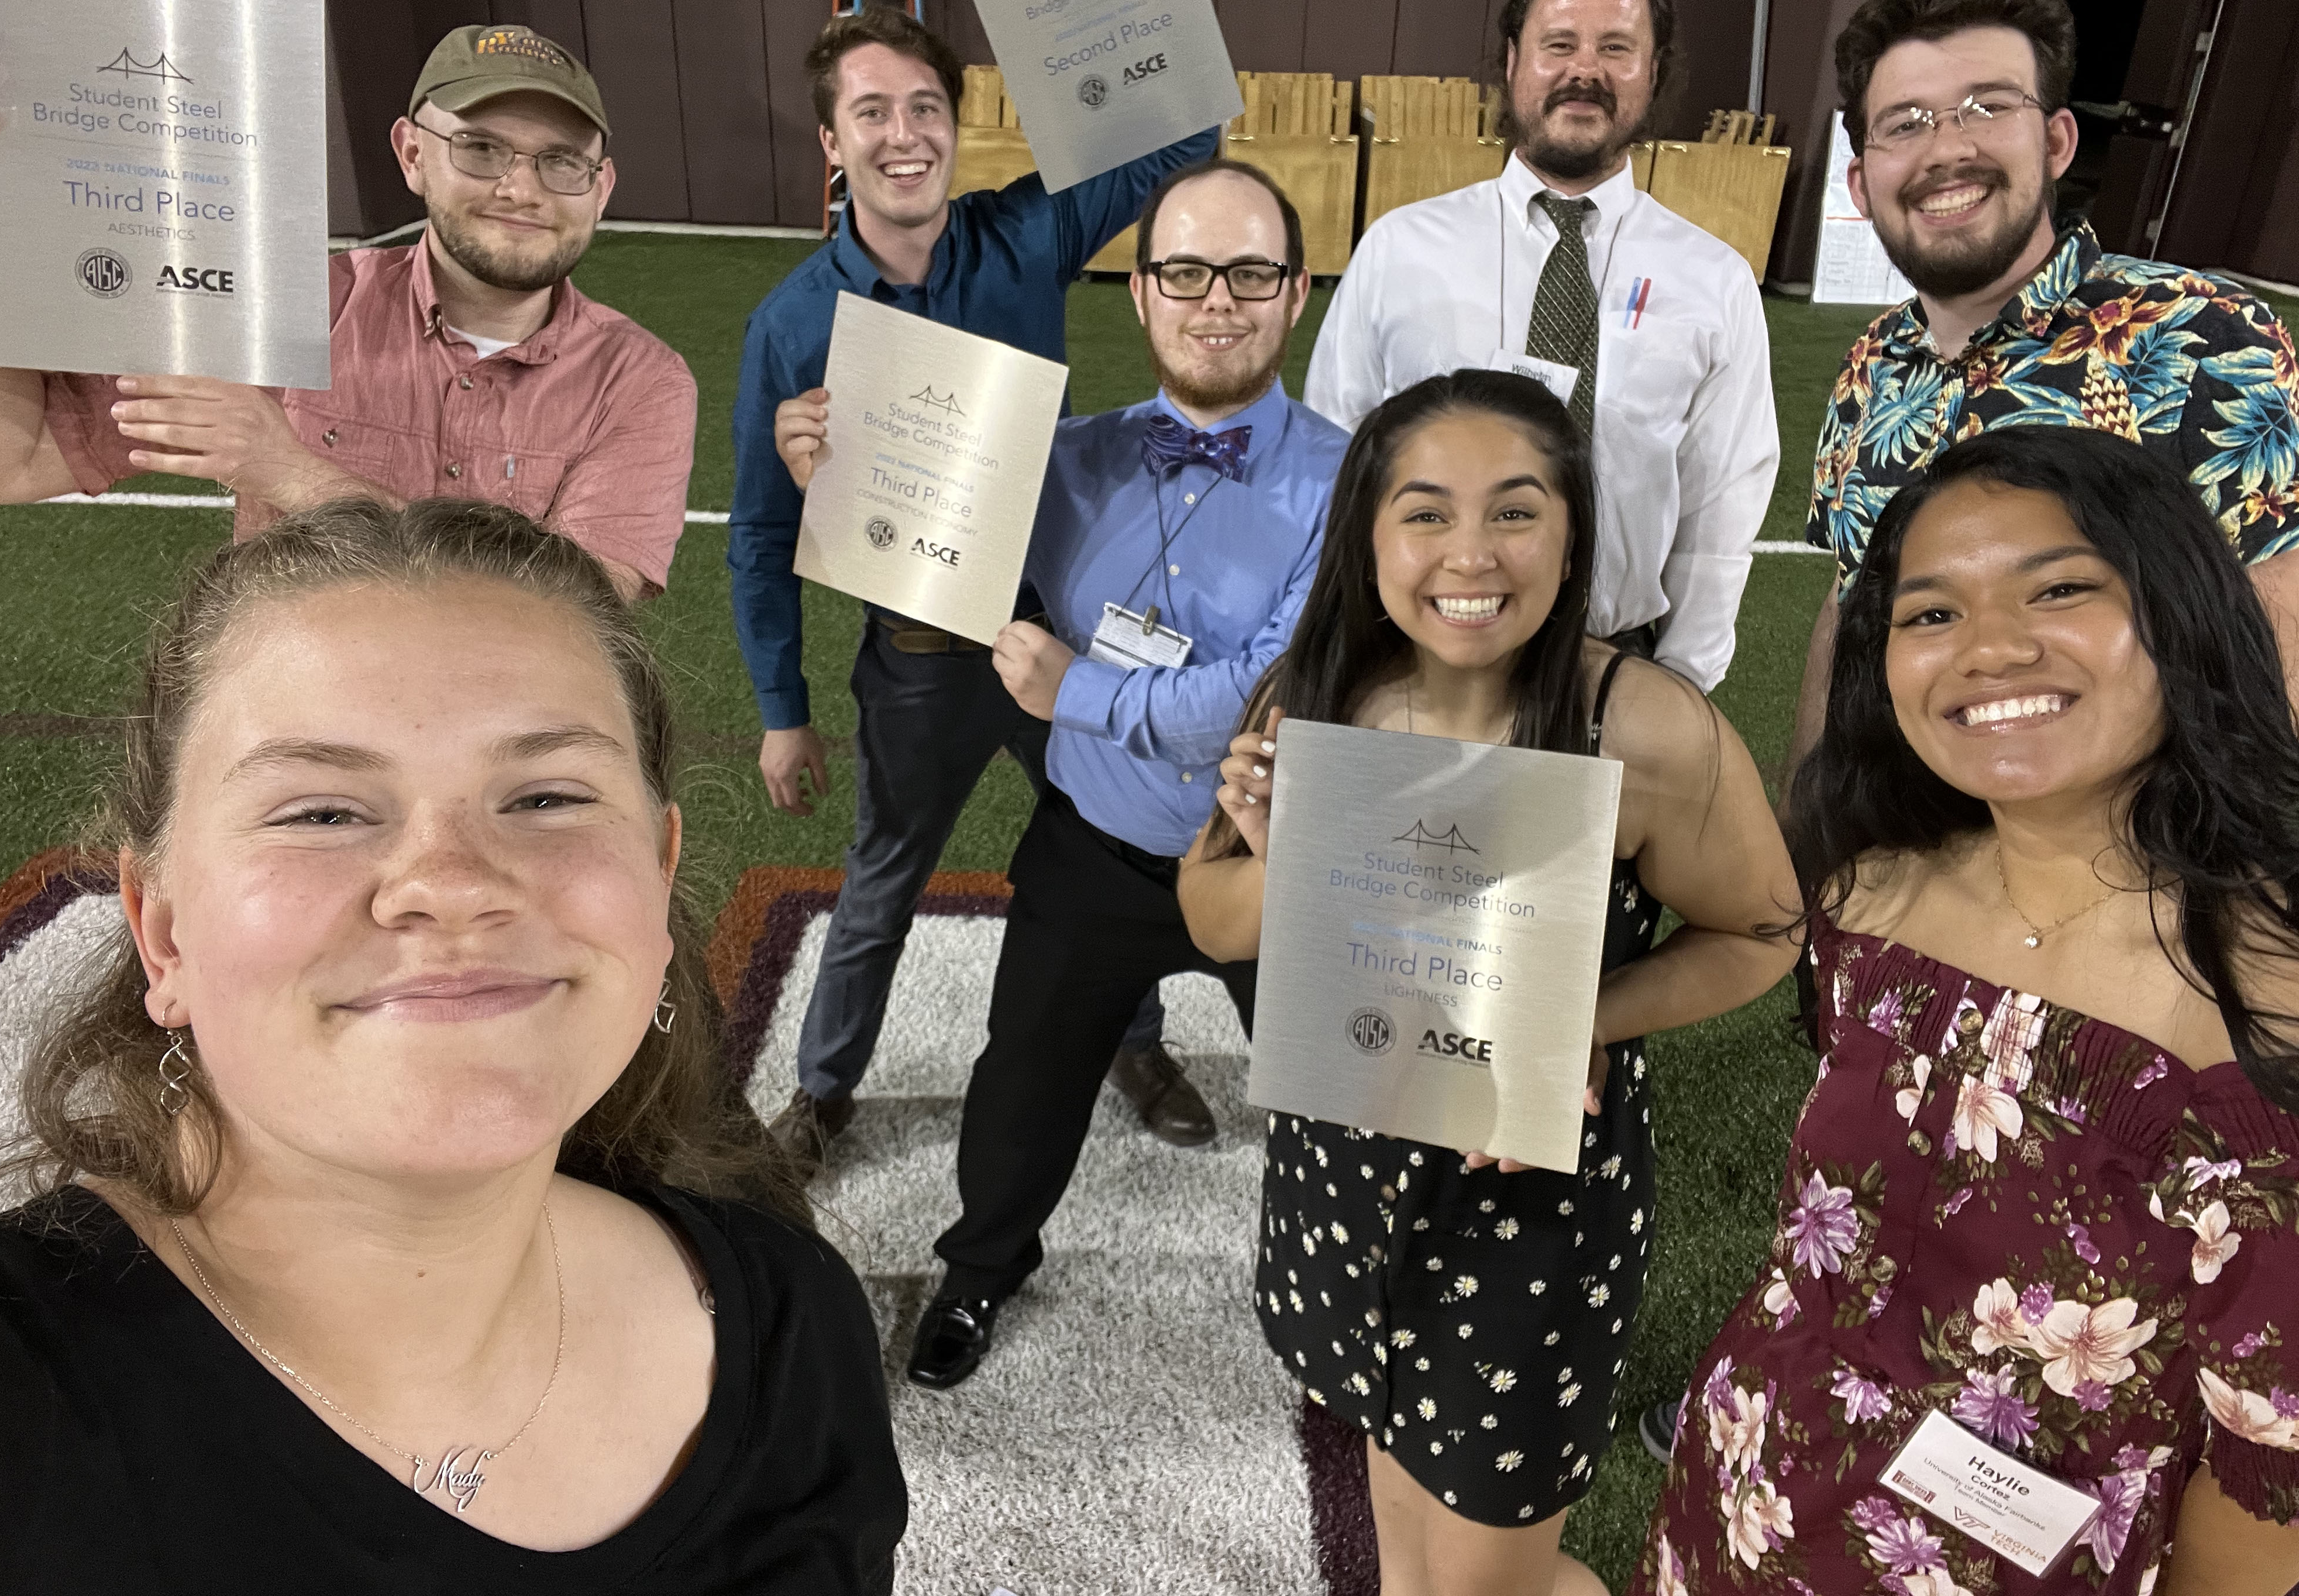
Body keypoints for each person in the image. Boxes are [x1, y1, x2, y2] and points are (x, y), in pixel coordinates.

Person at [0, 498, 906, 1593]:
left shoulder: (795, 1323)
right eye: (321, 811)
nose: (450, 882)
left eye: (546, 795)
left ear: (659, 869)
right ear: (161, 929)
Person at [1636, 427, 2299, 1596]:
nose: (1989, 649)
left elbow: (2266, 1471)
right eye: (1931, 614)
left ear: (2180, 612)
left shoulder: (2262, 1011)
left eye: (2059, 589)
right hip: (1741, 1497)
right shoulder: (1870, 898)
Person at [1176, 369, 1798, 1596]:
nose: (1471, 552)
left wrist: (1580, 1019)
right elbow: (1211, 918)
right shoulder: (1317, 697)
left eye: (1516, 511)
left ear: (1572, 539)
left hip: (1529, 1211)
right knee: (1405, 1539)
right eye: (1425, 511)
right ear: (1369, 535)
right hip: (1343, 1174)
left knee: (1486, 1580)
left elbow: (1767, 930)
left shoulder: (1644, 727)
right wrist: (1296, 862)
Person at [824, 157, 1344, 1388]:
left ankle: (1349, 1297)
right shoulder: (1056, 460)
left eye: (1252, 272)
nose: (1218, 300)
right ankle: (984, 1266)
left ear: (1297, 291)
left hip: (1276, 862)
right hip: (1092, 849)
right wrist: (842, 467)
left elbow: (1253, 699)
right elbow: (915, 562)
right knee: (1020, 1090)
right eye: (1185, 271)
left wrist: (1079, 693)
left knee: (1337, 1109)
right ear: (1140, 290)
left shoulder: (1354, 479)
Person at [736, 7, 1224, 1172]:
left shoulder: (1025, 235)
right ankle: (822, 1088)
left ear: (956, 126)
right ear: (832, 143)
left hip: (1059, 641)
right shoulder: (794, 324)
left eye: (926, 109)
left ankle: (1137, 1040)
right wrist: (780, 709)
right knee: (878, 889)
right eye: (872, 112)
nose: (903, 135)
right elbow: (759, 531)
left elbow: (1185, 133)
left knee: (1115, 852)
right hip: (915, 665)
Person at [0, 22, 693, 603]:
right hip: (289, 725)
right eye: (482, 149)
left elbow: (577, 608)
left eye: (562, 161)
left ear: (600, 188)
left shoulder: (643, 382)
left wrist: (293, 475)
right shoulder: (282, 305)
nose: (522, 190)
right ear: (412, 154)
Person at [1785, 0, 2299, 785]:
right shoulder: (1872, 366)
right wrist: (1806, 819)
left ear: (2057, 139)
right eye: (1906, 122)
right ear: (1862, 178)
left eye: (1986, 107)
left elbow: (2280, 630)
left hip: (2116, 872)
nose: (1948, 149)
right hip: (1894, 866)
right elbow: (1850, 612)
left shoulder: (2199, 336)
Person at [1304, 0, 1778, 696]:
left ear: (1654, 74)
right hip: (1417, 663)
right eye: (1559, 44)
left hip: (1612, 669)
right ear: (1513, 61)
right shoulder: (1401, 249)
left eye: (1617, 49)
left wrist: (1680, 684)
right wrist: (1345, 653)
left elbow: (1723, 505)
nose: (1583, 71)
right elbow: (1334, 464)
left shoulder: (1713, 280)